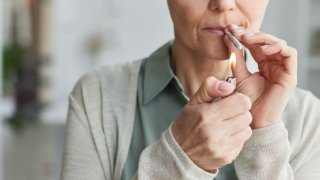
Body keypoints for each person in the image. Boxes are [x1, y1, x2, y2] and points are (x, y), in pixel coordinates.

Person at [61, 0, 320, 179]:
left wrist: (264, 133)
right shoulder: (98, 96)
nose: (224, 3)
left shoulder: (308, 116)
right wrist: (181, 157)